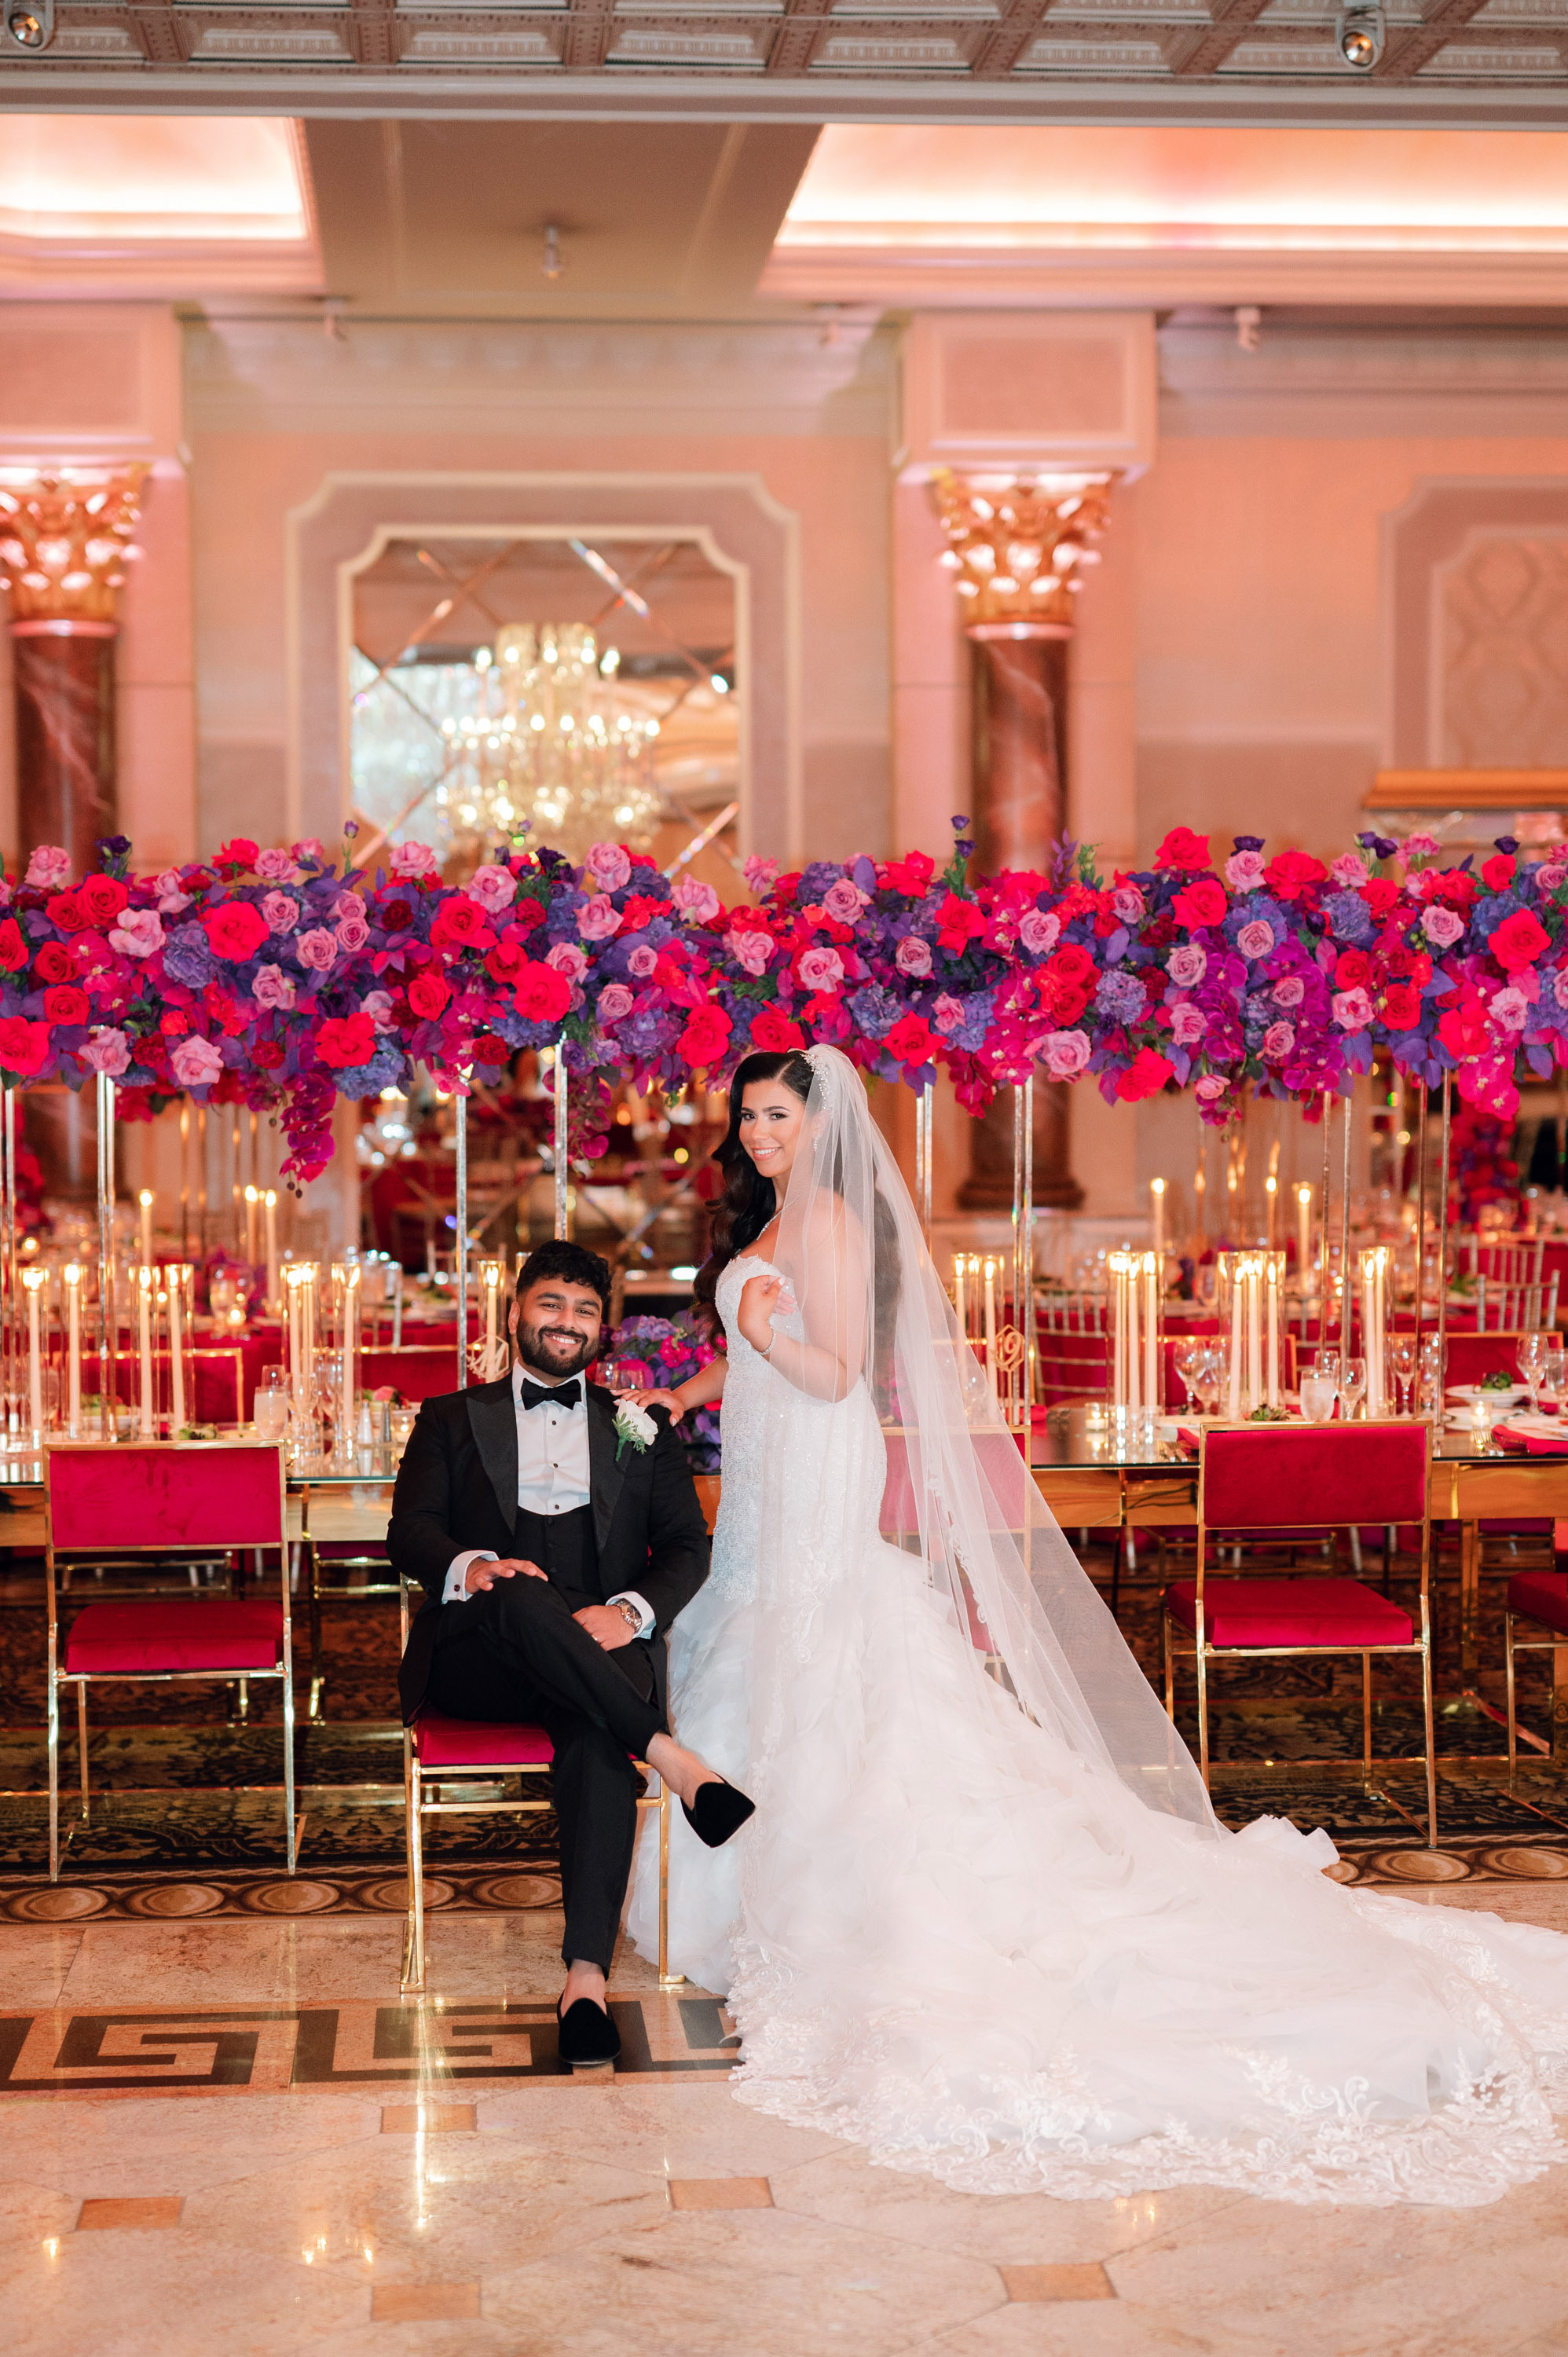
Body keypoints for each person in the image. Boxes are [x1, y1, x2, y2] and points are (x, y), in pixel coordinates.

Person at [625, 1043, 1568, 2204]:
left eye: (775, 1116)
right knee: (758, 1633)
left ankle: (822, 1900)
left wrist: (767, 1333)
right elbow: (754, 1350)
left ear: (821, 1126)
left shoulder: (822, 1217)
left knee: (823, 1648)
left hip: (819, 1467)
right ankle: (733, 1885)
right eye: (749, 1117)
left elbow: (836, 1372)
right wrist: (688, 1390)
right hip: (770, 1477)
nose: (759, 1133)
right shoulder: (772, 1218)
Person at [390, 1239, 753, 2068]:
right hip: (481, 1651)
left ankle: (584, 1981)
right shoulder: (452, 1418)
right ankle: (669, 1755)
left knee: (595, 1743)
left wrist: (630, 1613)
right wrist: (472, 1566)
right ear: (516, 1313)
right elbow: (406, 1532)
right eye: (552, 1303)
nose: (567, 1322)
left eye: (585, 1310)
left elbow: (687, 1550)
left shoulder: (638, 1426)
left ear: (603, 1332)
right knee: (520, 1589)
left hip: (596, 1644)